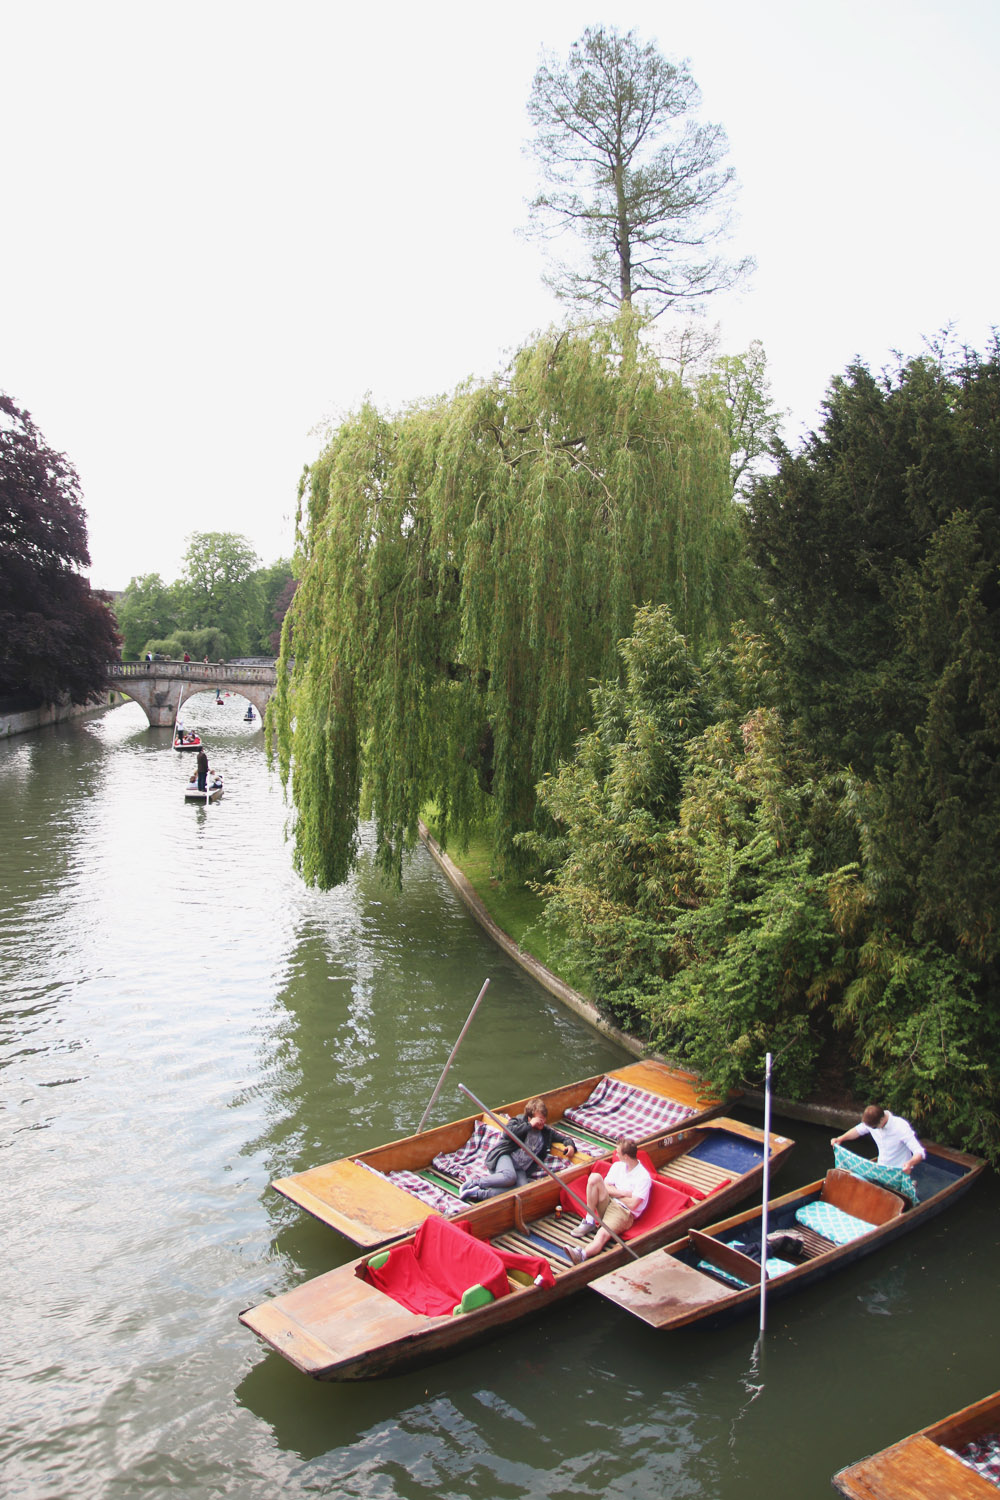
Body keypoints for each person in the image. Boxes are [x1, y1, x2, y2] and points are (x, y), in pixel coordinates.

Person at [459, 1098, 576, 1201]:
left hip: (520, 1168)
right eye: (539, 1119)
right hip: (505, 1157)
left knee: (523, 1190)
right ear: (530, 1117)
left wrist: (570, 1146)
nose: (542, 1122)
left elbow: (564, 1139)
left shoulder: (545, 1132)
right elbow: (507, 1133)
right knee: (510, 1177)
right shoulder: (519, 1121)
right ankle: (473, 1183)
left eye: (544, 1119)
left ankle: (478, 1194)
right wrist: (529, 1125)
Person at [567, 1136, 651, 1263]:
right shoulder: (618, 1166)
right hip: (610, 1201)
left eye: (618, 1152)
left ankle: (582, 1254)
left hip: (623, 1212)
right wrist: (623, 1193)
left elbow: (633, 1204)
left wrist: (613, 1192)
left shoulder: (643, 1177)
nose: (615, 1154)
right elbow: (605, 1186)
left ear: (626, 1156)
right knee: (595, 1177)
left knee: (602, 1234)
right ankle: (589, 1220)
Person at [831, 1104, 925, 1173]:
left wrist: (910, 1163)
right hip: (881, 1169)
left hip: (900, 1170)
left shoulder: (901, 1127)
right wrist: (840, 1138)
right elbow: (858, 1130)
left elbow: (919, 1151)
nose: (872, 1129)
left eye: (874, 1128)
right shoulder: (873, 1123)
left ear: (882, 1120)